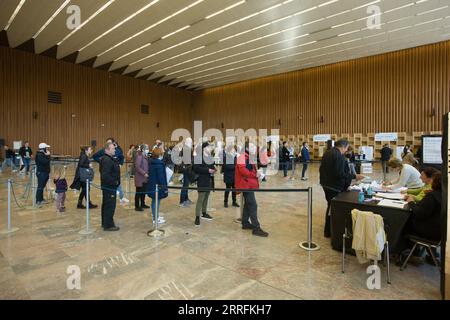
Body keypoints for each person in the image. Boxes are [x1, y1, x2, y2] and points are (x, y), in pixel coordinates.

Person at [320, 139, 364, 238]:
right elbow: (339, 174)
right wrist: (354, 176)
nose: (346, 151)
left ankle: (328, 230)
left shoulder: (328, 153)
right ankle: (329, 231)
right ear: (344, 146)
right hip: (333, 186)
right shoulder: (339, 156)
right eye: (347, 148)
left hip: (326, 184)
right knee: (332, 208)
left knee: (330, 206)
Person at [235, 142, 268, 237]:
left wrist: (257, 173)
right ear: (247, 148)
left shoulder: (247, 156)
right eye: (252, 146)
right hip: (245, 185)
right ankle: (256, 228)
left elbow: (249, 169)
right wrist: (255, 175)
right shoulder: (242, 157)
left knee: (248, 204)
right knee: (253, 205)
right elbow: (243, 171)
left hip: (248, 184)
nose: (255, 148)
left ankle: (245, 223)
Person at [405, 171, 442, 242]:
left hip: (430, 231)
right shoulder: (443, 194)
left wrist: (411, 202)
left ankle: (406, 248)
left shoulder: (432, 196)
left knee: (403, 222)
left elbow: (419, 213)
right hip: (440, 230)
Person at [93, 138, 129, 205]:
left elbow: (122, 157)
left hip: (115, 171)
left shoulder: (117, 150)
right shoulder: (103, 151)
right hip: (108, 177)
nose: (109, 144)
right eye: (107, 143)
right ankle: (118, 195)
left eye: (110, 143)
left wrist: (120, 164)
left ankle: (121, 197)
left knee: (118, 184)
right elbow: (94, 156)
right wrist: (101, 161)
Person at [99, 142, 121, 231]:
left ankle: (105, 223)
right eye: (113, 148)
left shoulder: (109, 158)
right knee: (109, 206)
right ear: (107, 150)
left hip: (109, 186)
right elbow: (105, 175)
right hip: (109, 187)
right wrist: (115, 182)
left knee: (107, 205)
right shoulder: (107, 160)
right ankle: (108, 225)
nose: (114, 150)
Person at [193, 142, 215, 226]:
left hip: (209, 180)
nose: (211, 148)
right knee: (201, 198)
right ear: (204, 148)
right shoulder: (198, 157)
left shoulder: (210, 157)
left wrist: (214, 169)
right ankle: (197, 216)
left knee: (206, 197)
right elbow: (196, 168)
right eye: (209, 147)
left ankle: (204, 212)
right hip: (202, 180)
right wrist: (207, 170)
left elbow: (212, 166)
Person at [147, 147, 168, 225]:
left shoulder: (152, 162)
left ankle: (155, 216)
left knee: (154, 201)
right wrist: (164, 187)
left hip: (153, 185)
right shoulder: (159, 164)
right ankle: (155, 218)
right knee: (156, 202)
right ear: (159, 155)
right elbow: (161, 177)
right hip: (157, 187)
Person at [179, 138, 194, 207]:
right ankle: (182, 201)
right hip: (186, 169)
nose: (192, 143)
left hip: (187, 168)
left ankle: (186, 199)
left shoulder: (187, 148)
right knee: (185, 185)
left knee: (186, 184)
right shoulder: (186, 149)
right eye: (191, 142)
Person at [35, 143, 51, 207]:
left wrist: (47, 155)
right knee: (40, 187)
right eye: (46, 148)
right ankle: (38, 201)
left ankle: (41, 199)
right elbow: (45, 162)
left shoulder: (43, 154)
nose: (47, 149)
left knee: (42, 187)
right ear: (43, 148)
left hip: (45, 172)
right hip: (41, 173)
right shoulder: (39, 155)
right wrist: (48, 155)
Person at [134, 144, 150, 212]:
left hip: (144, 177)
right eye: (147, 148)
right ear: (143, 149)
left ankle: (143, 204)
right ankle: (137, 206)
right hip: (140, 177)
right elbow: (137, 167)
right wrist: (144, 173)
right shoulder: (139, 156)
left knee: (143, 192)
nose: (148, 150)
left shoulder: (145, 156)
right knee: (139, 192)